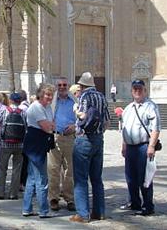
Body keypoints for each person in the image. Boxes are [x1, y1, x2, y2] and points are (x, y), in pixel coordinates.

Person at [70, 72, 110, 223]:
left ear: (81, 85)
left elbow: (83, 116)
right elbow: (107, 121)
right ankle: (99, 212)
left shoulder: (84, 97)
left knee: (80, 178)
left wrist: (75, 110)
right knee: (97, 178)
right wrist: (98, 132)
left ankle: (82, 214)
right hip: (99, 140)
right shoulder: (102, 96)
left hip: (84, 139)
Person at [121, 79, 161, 216]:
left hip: (144, 146)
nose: (137, 91)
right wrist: (124, 145)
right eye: (135, 89)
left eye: (140, 89)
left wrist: (151, 146)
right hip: (131, 148)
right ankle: (134, 202)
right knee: (130, 177)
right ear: (131, 91)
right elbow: (125, 129)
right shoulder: (128, 108)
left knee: (145, 178)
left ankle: (148, 205)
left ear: (145, 90)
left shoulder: (150, 106)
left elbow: (155, 129)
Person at [22, 84, 55, 218]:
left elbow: (52, 124)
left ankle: (27, 208)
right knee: (42, 179)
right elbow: (47, 127)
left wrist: (50, 125)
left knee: (31, 178)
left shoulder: (46, 107)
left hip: (40, 144)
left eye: (51, 94)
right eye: (47, 94)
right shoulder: (36, 107)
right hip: (35, 146)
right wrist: (50, 126)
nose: (50, 97)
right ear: (40, 94)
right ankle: (43, 210)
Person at [48, 77, 77, 211]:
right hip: (55, 137)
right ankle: (53, 198)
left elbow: (81, 118)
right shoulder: (52, 102)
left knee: (69, 170)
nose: (62, 87)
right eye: (59, 85)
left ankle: (69, 198)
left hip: (70, 138)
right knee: (53, 169)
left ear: (68, 86)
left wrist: (75, 126)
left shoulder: (74, 102)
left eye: (64, 85)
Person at [0, 93, 26, 200]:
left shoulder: (4, 111)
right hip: (20, 144)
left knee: (2, 168)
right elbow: (27, 127)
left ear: (10, 100)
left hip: (6, 143)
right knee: (17, 169)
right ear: (20, 101)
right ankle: (13, 193)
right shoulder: (24, 112)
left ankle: (0, 192)